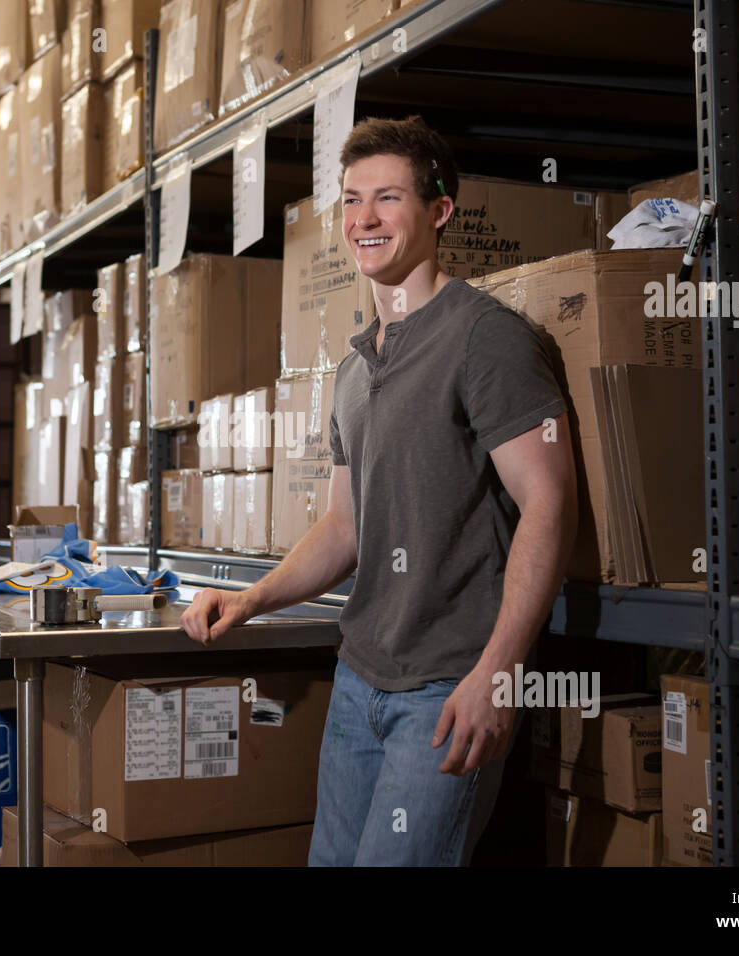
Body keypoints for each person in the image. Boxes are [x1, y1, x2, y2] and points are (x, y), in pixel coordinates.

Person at [179, 115, 578, 866]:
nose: (364, 218)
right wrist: (251, 599)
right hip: (359, 682)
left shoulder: (484, 339)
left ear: (439, 211)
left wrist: (498, 674)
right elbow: (344, 527)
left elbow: (550, 507)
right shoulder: (355, 370)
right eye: (351, 200)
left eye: (387, 198)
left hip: (446, 687)